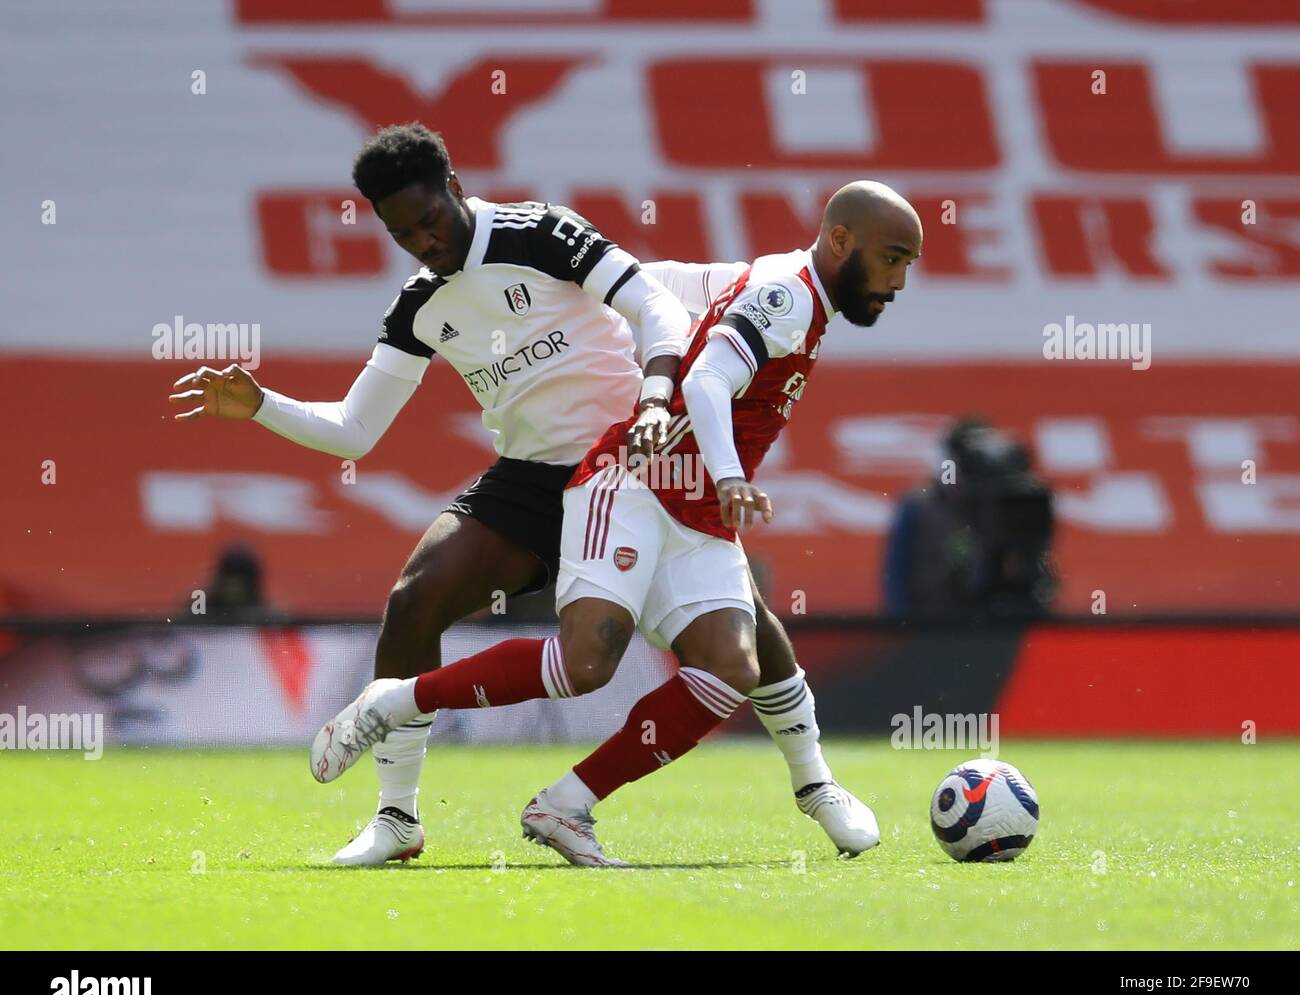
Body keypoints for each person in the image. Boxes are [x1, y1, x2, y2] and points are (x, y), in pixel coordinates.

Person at [172, 123, 872, 864]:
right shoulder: (419, 306)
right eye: (402, 233)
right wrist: (262, 406)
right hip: (534, 478)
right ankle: (398, 819)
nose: (424, 242)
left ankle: (815, 781)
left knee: (743, 638)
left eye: (431, 221)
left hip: (635, 455)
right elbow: (353, 430)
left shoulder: (542, 233)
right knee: (416, 599)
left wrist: (658, 396)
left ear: (455, 188)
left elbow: (654, 309)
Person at [312, 180, 923, 866]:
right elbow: (707, 381)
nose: (900, 280)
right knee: (586, 663)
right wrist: (727, 475)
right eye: (893, 258)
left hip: (691, 510)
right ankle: (393, 704)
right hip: (632, 483)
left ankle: (567, 805)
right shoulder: (785, 298)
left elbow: (656, 286)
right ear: (841, 241)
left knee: (732, 665)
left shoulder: (779, 282)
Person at [882, 416, 1057, 620]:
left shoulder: (1011, 503)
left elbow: (1039, 573)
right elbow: (896, 575)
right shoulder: (919, 504)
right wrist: (903, 627)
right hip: (936, 623)